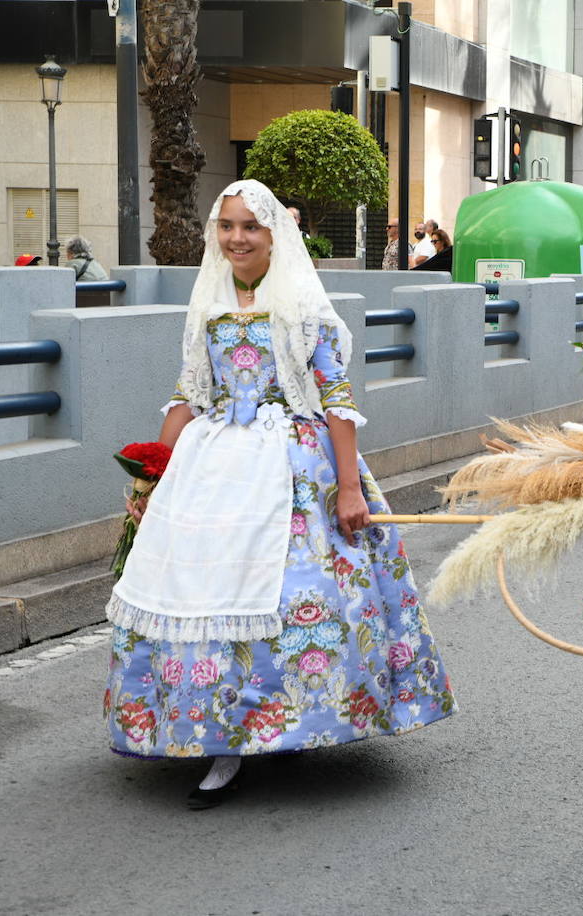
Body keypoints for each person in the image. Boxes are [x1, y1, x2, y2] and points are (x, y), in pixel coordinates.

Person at [104, 179, 454, 808]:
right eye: (227, 225)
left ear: (274, 235)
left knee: (303, 593)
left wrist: (350, 488)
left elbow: (337, 401)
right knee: (198, 590)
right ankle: (219, 740)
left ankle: (288, 722)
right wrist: (152, 477)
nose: (236, 238)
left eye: (250, 227)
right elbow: (189, 394)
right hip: (212, 464)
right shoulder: (208, 304)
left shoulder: (302, 308)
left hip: (292, 463)